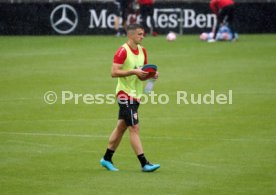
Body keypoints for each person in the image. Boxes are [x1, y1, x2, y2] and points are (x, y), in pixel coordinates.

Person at [100, 24, 160, 172]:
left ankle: (106, 159)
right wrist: (133, 71)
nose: (142, 36)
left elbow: (143, 73)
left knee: (121, 127)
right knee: (134, 127)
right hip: (124, 93)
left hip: (136, 94)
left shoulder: (142, 50)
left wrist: (151, 75)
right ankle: (144, 163)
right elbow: (114, 72)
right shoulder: (122, 51)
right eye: (140, 34)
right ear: (131, 35)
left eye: (143, 34)